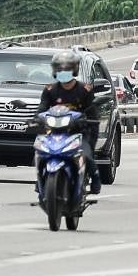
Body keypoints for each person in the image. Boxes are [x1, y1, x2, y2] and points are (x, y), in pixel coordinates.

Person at [36, 51, 101, 194]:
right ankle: (40, 179)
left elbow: (92, 113)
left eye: (67, 68)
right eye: (60, 68)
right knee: (40, 152)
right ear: (55, 70)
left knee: (87, 155)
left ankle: (95, 177)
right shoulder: (50, 90)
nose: (63, 71)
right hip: (54, 132)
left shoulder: (85, 90)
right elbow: (42, 109)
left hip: (79, 133)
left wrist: (87, 121)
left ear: (75, 69)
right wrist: (37, 118)